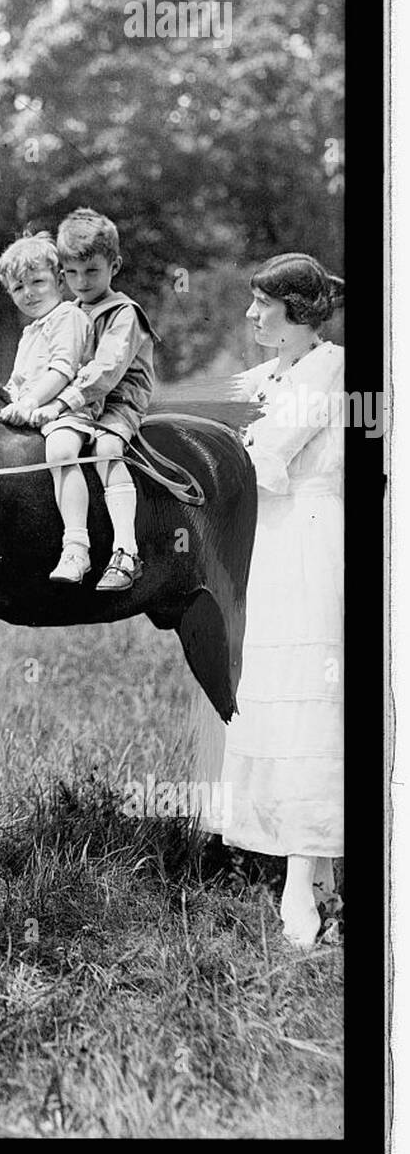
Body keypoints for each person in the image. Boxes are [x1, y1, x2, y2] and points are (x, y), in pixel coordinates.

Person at [214, 254, 344, 949]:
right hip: (265, 539)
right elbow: (216, 423)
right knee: (268, 694)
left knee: (309, 702)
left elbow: (267, 455)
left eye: (262, 304)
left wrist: (228, 445)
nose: (250, 315)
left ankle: (303, 881)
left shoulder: (329, 369)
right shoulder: (264, 375)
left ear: (296, 310)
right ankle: (315, 874)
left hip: (310, 539)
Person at [46, 207, 158, 590]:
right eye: (71, 272)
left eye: (92, 271)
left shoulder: (125, 313)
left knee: (107, 447)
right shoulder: (67, 313)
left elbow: (107, 369)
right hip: (82, 403)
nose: (81, 281)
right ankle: (74, 546)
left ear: (115, 266)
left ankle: (126, 550)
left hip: (118, 401)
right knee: (53, 446)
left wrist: (62, 402)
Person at [0, 233, 96, 583]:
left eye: (37, 282)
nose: (29, 293)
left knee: (61, 451)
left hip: (69, 409)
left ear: (60, 281)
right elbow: (17, 382)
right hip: (36, 410)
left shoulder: (68, 316)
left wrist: (30, 402)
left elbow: (62, 370)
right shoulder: (30, 332)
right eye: (18, 287)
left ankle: (77, 548)